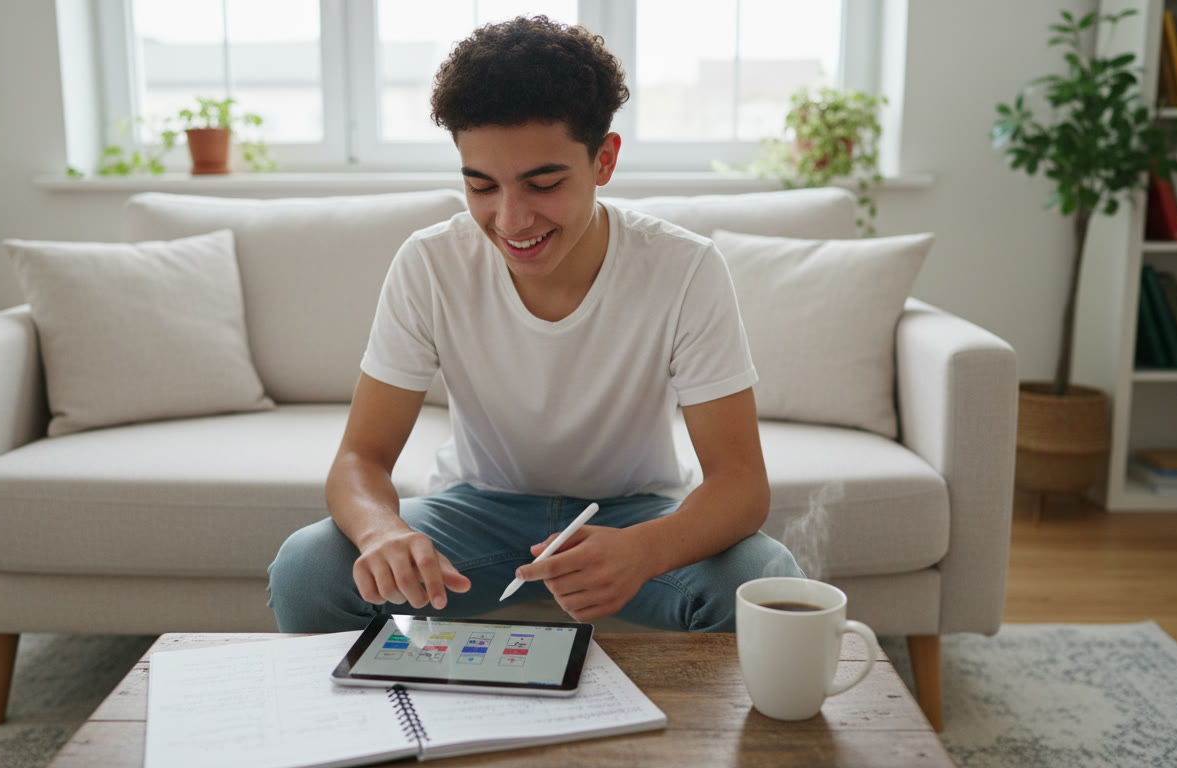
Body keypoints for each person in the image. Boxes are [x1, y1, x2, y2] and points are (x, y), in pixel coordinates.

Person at [267, 15, 803, 634]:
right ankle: (372, 729)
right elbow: (360, 458)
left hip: (632, 513)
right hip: (477, 511)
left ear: (604, 160)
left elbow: (740, 484)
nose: (511, 220)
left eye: (543, 183)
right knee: (308, 568)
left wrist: (643, 552)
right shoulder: (430, 263)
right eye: (480, 185)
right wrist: (382, 531)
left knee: (762, 577)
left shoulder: (685, 268)